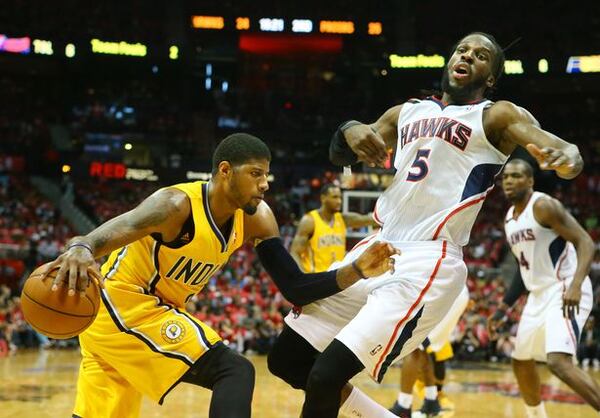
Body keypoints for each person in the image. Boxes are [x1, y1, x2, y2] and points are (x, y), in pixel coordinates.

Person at [267, 32, 584, 418]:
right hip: (378, 246)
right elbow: (341, 151)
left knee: (326, 376)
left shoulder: (495, 115)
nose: (467, 55)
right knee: (286, 360)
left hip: (428, 257)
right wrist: (349, 128)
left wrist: (565, 159)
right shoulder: (406, 112)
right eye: (462, 49)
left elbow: (568, 152)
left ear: (490, 78)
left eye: (481, 55)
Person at [41, 133, 398, 418]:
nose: (265, 184)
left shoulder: (256, 217)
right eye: (256, 174)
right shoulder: (175, 204)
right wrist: (81, 247)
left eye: (267, 175)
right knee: (235, 371)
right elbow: (121, 227)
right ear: (225, 171)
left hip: (141, 316)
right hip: (123, 304)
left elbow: (296, 288)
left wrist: (355, 271)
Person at [487, 159, 599, 418]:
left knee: (558, 363)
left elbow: (585, 242)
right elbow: (521, 268)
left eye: (516, 176)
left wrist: (575, 284)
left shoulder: (544, 206)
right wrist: (504, 307)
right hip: (537, 295)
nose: (510, 181)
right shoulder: (509, 219)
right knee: (520, 360)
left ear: (530, 181)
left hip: (564, 289)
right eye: (506, 177)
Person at [389, 286, 469, 417]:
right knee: (420, 347)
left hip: (445, 292)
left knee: (412, 345)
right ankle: (431, 402)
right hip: (450, 291)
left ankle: (403, 406)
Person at [290, 183, 377, 273]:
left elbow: (369, 220)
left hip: (336, 278)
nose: (339, 201)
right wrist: (302, 276)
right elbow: (294, 252)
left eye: (340, 197)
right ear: (323, 198)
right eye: (334, 197)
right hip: (316, 278)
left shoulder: (343, 219)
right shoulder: (309, 221)